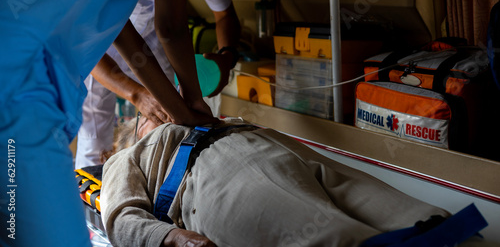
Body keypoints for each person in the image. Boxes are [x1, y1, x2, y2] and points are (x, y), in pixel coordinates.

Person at [0, 0, 218, 246]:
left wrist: (175, 107)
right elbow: (172, 27)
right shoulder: (125, 165)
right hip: (17, 91)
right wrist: (189, 105)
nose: (163, 122)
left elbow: (121, 32)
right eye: (159, 125)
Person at [100, 117, 494, 247]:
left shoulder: (208, 117)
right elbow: (118, 219)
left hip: (271, 145)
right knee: (329, 236)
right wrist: (169, 238)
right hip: (207, 175)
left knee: (419, 220)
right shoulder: (128, 154)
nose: (153, 110)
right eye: (144, 114)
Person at [75, 0, 240, 169]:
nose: (163, 121)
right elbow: (91, 35)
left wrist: (226, 58)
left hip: (139, 36)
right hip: (87, 35)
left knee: (170, 113)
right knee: (92, 143)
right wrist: (137, 95)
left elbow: (172, 26)